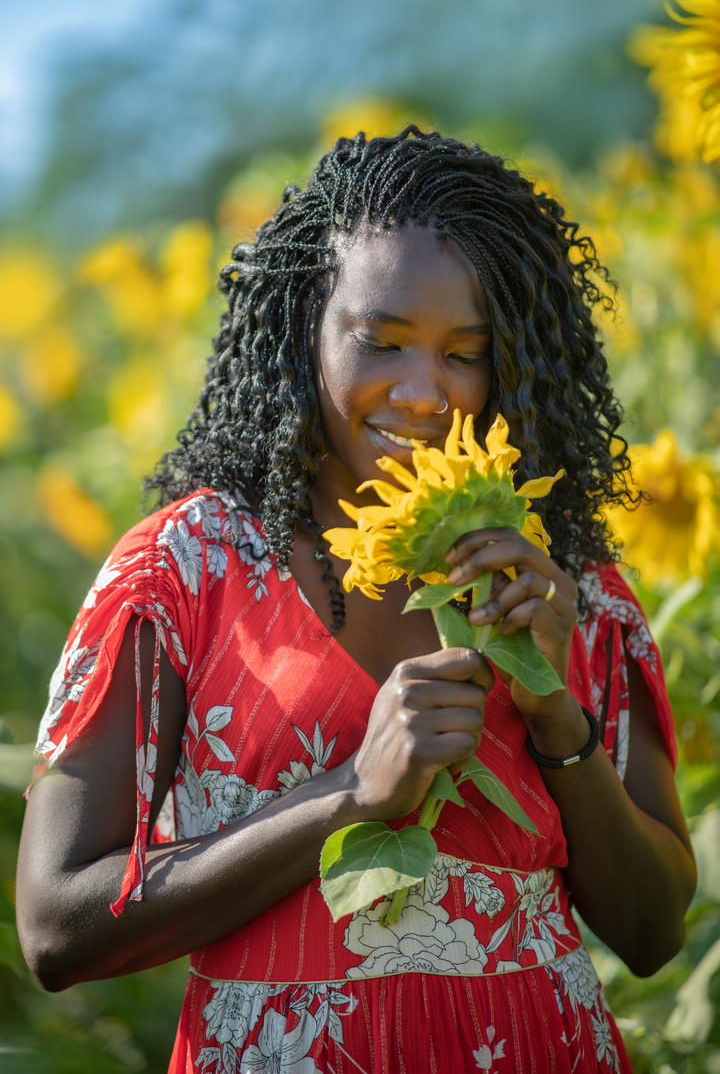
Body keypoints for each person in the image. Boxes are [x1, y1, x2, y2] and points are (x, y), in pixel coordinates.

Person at [17, 128, 696, 1073]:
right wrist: (351, 797)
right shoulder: (185, 572)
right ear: (305, 327)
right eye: (382, 341)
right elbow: (56, 930)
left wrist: (549, 707)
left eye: (468, 351)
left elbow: (656, 932)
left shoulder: (564, 579)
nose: (425, 393)